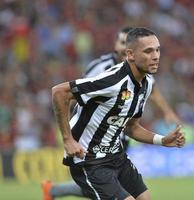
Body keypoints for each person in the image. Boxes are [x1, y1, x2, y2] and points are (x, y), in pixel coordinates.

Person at [42, 26, 181, 200]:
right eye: (148, 51)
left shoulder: (145, 84)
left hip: (116, 156)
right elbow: (59, 92)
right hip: (90, 160)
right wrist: (68, 139)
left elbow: (131, 129)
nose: (155, 56)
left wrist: (162, 140)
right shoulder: (112, 81)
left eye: (157, 50)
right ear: (130, 54)